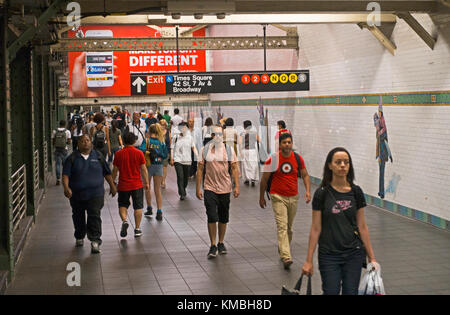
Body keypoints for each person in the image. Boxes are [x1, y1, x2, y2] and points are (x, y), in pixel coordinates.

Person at [301, 147, 379, 295]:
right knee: (331, 291)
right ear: (330, 165)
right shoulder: (321, 194)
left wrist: (372, 257)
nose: (343, 165)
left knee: (351, 292)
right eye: (338, 162)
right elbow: (316, 228)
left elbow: (362, 226)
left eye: (346, 162)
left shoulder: (356, 192)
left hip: (353, 254)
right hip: (329, 255)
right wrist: (308, 260)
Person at [259, 133, 311, 269]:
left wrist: (308, 191)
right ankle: (286, 256)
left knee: (289, 228)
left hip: (293, 196)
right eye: (284, 142)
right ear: (280, 145)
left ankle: (283, 248)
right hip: (278, 196)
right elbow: (264, 179)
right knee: (282, 226)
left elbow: (305, 174)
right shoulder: (273, 159)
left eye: (289, 142)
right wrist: (261, 197)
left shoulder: (298, 158)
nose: (287, 145)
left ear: (292, 144)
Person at [62, 134, 117, 253]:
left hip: (95, 193)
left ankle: (95, 240)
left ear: (91, 143)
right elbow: (65, 175)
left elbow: (107, 173)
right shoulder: (72, 158)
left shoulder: (98, 156)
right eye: (82, 141)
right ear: (78, 144)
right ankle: (79, 235)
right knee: (78, 215)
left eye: (87, 140)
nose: (85, 142)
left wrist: (112, 186)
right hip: (77, 195)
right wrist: (66, 188)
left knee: (94, 216)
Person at [196, 125, 240, 259]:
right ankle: (213, 245)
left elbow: (234, 168)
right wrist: (198, 188)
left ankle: (221, 242)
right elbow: (199, 169)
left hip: (225, 188)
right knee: (211, 216)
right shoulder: (204, 150)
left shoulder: (229, 150)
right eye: (215, 134)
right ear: (212, 136)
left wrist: (236, 186)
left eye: (220, 134)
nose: (218, 137)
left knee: (223, 217)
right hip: (209, 187)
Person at [112, 132, 150, 238]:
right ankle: (137, 229)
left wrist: (112, 183)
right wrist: (146, 182)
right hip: (137, 184)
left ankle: (124, 220)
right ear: (134, 141)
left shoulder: (119, 154)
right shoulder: (139, 153)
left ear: (123, 141)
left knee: (123, 205)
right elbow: (143, 169)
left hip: (123, 185)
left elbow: (114, 170)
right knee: (138, 206)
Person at [143, 123, 168, 221]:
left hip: (148, 166)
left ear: (149, 131)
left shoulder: (147, 141)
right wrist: (158, 154)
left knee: (147, 187)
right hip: (159, 166)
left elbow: (141, 150)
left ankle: (149, 208)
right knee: (157, 189)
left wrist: (149, 152)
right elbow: (165, 155)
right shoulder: (162, 142)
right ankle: (159, 211)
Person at [171, 122, 198, 200]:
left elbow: (193, 148)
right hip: (177, 160)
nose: (183, 129)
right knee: (180, 177)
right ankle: (182, 193)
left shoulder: (190, 137)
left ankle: (183, 188)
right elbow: (172, 148)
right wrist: (172, 158)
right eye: (181, 128)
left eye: (184, 127)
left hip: (187, 160)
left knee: (185, 178)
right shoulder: (175, 137)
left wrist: (198, 156)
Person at [374, 99, 393, 199]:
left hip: (383, 155)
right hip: (380, 156)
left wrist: (390, 155)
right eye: (379, 113)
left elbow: (386, 143)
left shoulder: (383, 132)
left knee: (381, 174)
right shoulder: (379, 131)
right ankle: (381, 192)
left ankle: (382, 192)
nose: (379, 115)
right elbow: (377, 129)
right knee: (381, 174)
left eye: (380, 113)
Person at [239, 120, 262, 187]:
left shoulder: (242, 133)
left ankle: (247, 179)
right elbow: (259, 140)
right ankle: (253, 179)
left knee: (246, 164)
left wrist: (240, 152)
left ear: (244, 126)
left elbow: (240, 143)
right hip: (252, 150)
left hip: (245, 150)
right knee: (253, 164)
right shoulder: (254, 133)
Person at [52, 120, 72, 185]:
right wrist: (65, 143)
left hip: (57, 149)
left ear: (59, 124)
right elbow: (69, 142)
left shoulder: (54, 131)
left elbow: (53, 141)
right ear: (65, 124)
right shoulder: (67, 131)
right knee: (65, 164)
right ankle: (65, 177)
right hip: (64, 149)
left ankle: (58, 179)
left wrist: (55, 145)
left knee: (57, 164)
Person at [159, 119, 171, 189]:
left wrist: (170, 152)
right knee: (159, 166)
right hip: (158, 153)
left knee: (164, 166)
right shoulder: (157, 132)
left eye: (164, 125)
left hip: (165, 152)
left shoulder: (167, 132)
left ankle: (163, 181)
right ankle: (159, 180)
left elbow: (170, 142)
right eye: (161, 124)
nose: (162, 126)